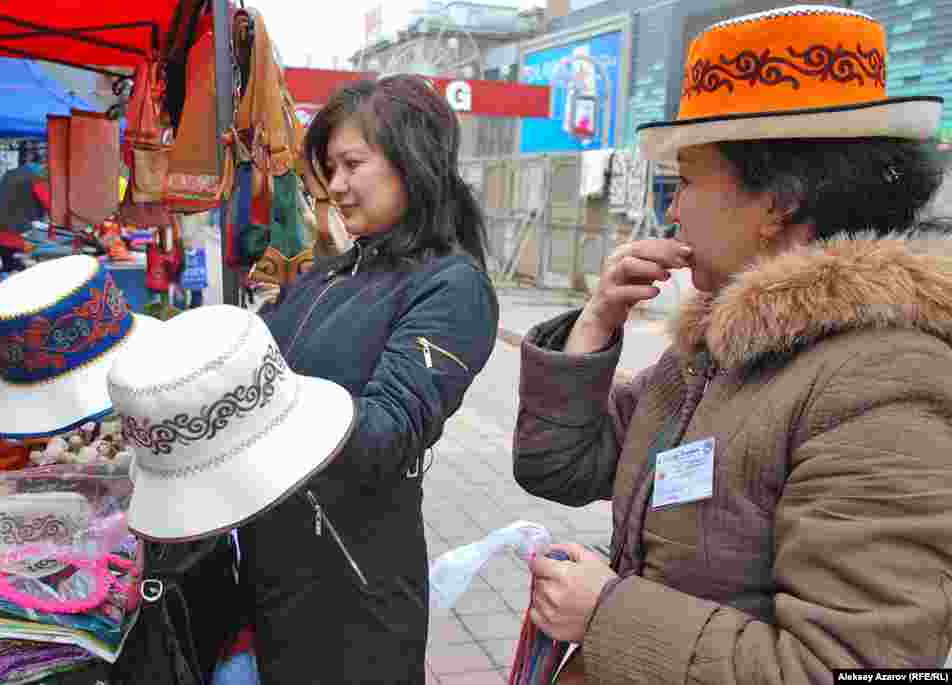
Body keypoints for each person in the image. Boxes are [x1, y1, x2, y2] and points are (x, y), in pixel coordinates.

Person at [513, 5, 952, 681]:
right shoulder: (721, 347)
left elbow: (858, 669)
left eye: (688, 180)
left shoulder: (886, 382)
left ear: (778, 202)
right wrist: (596, 321)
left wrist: (606, 612)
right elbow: (559, 466)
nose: (672, 210)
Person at [240, 74, 499, 683]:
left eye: (352, 164)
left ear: (414, 161)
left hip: (352, 597)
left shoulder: (451, 288)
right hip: (277, 570)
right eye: (330, 168)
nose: (335, 186)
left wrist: (249, 401)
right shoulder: (330, 275)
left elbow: (385, 431)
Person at [0, 146, 45, 274]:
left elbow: (1, 194)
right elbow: (50, 204)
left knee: (10, 268)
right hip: (18, 235)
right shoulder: (38, 178)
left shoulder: (10, 174)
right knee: (18, 272)